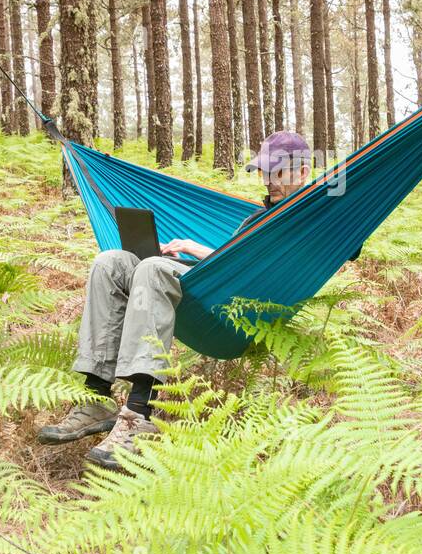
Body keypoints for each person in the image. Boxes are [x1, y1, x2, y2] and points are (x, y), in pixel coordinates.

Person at [38, 131, 319, 470]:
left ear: (303, 172)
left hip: (235, 315)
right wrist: (181, 252)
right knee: (110, 262)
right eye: (264, 171)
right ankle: (97, 396)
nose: (269, 180)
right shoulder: (254, 219)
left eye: (278, 172)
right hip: (211, 291)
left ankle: (138, 414)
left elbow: (341, 225)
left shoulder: (316, 215)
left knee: (154, 268)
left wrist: (188, 247)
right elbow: (229, 266)